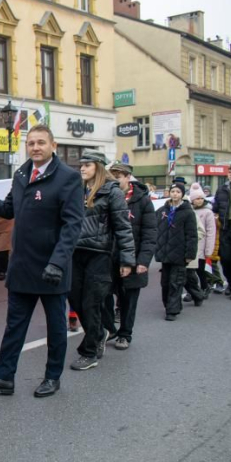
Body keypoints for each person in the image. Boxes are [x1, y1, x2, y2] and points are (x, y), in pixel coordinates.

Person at [0, 124, 83, 397]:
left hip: (51, 268)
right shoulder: (21, 173)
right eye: (31, 143)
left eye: (41, 142)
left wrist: (58, 262)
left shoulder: (68, 178)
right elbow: (8, 209)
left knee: (56, 328)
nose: (35, 147)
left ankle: (53, 376)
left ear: (53, 146)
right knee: (14, 326)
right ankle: (3, 377)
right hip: (22, 266)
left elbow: (72, 225)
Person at [66, 150, 135, 371]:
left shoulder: (112, 192)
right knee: (76, 300)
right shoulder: (77, 190)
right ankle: (101, 332)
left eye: (87, 165)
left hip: (100, 255)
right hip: (76, 253)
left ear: (98, 166)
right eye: (81, 165)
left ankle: (90, 351)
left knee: (91, 302)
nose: (82, 168)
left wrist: (127, 260)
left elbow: (123, 228)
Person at [102, 162, 157, 351]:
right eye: (112, 177)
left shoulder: (142, 200)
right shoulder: (107, 196)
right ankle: (109, 328)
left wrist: (143, 261)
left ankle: (125, 334)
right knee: (103, 295)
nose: (114, 180)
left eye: (118, 177)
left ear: (127, 177)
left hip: (133, 259)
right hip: (108, 258)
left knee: (128, 300)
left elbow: (150, 233)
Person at [155, 183, 198, 320]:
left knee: (176, 282)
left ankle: (172, 310)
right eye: (172, 191)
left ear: (182, 194)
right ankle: (169, 305)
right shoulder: (162, 210)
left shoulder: (188, 212)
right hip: (165, 253)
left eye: (178, 192)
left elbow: (192, 235)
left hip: (180, 254)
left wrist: (190, 254)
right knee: (165, 283)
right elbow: (155, 230)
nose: (174, 194)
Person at [212, 163, 231, 300]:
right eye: (229, 172)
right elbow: (215, 207)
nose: (230, 174)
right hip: (225, 228)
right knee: (225, 258)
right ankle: (230, 283)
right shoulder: (222, 189)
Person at [184, 183, 216, 301]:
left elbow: (210, 232)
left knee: (200, 271)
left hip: (202, 248)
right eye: (197, 198)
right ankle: (192, 290)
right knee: (189, 272)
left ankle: (204, 287)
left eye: (202, 198)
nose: (200, 200)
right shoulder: (189, 211)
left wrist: (208, 250)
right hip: (191, 247)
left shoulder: (208, 212)